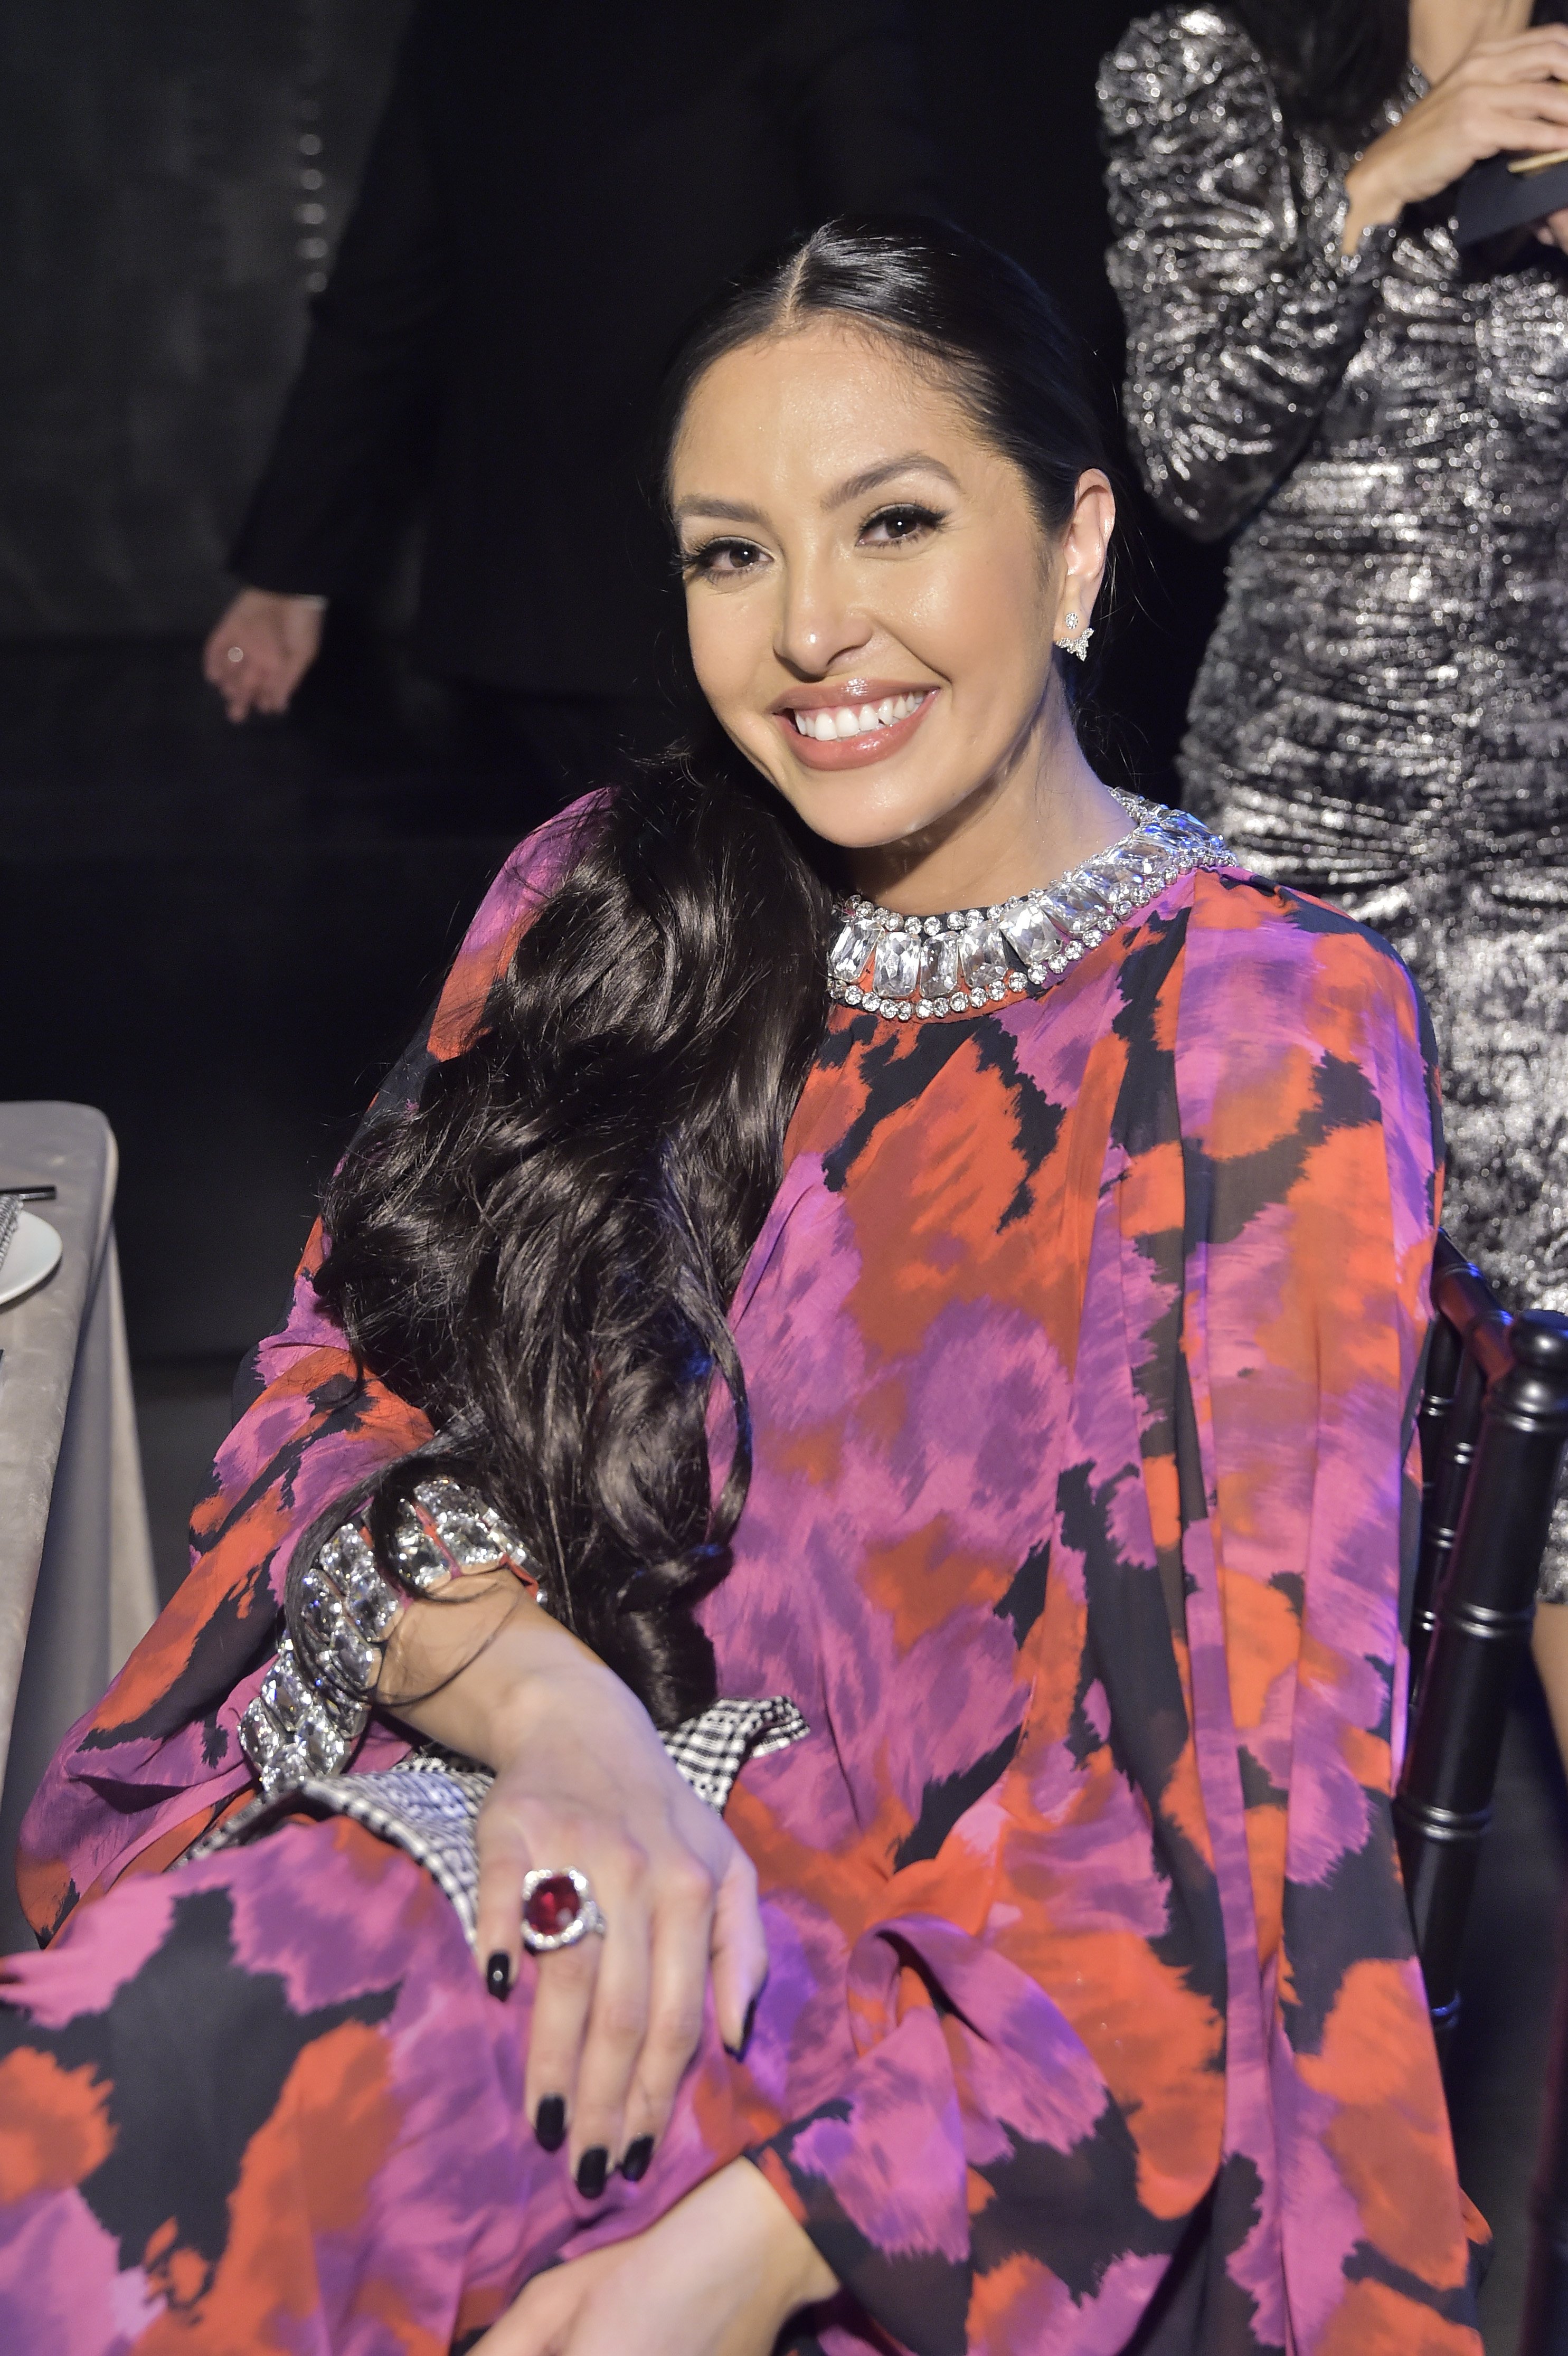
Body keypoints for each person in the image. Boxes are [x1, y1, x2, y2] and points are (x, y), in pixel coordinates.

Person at [3, 220, 1480, 2354]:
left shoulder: (1258, 1030)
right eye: (727, 555)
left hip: (926, 2050)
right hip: (497, 1845)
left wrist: (771, 2242)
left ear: (1073, 550)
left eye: (893, 522)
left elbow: (1227, 1809)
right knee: (104, 2100)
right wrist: (557, 1717)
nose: (809, 631)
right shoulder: (610, 901)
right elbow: (324, 1411)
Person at [1100, 1, 1568, 1728]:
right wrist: (1392, 175)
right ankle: (1293, 1966)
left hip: (1555, 907)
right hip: (1302, 893)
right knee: (1278, 1468)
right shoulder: (1212, 63)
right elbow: (1191, 449)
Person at [201, 0, 942, 827]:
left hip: (557, 610)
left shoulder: (471, 23)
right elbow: (901, 286)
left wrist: (290, 568)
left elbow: (384, 298)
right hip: (717, 597)